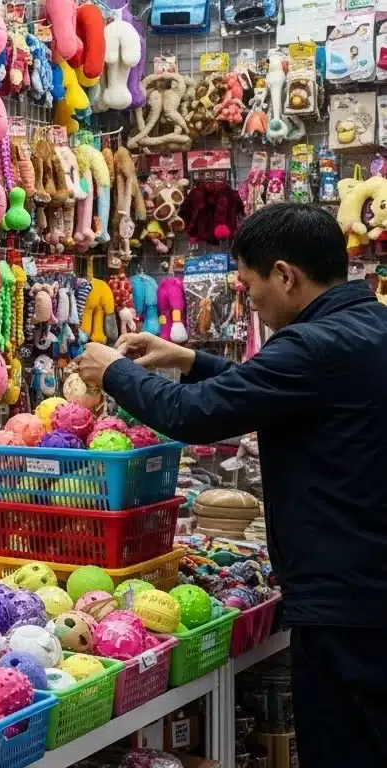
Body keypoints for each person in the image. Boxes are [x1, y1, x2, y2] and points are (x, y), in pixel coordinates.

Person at [75, 202, 387, 764]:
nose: (250, 301)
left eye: (248, 285)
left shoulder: (312, 347)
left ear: (286, 275)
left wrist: (114, 373)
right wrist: (188, 359)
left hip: (346, 601)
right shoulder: (368, 326)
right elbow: (270, 389)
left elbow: (198, 417)